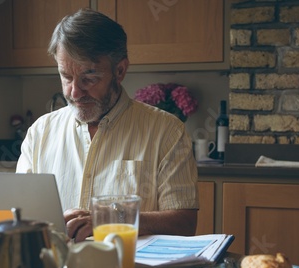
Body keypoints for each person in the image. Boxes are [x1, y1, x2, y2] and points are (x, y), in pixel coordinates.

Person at [16, 8, 198, 242]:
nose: (75, 92)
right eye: (66, 77)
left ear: (120, 70)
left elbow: (184, 223)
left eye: (89, 78)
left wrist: (112, 219)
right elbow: (19, 216)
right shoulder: (40, 132)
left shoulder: (167, 131)